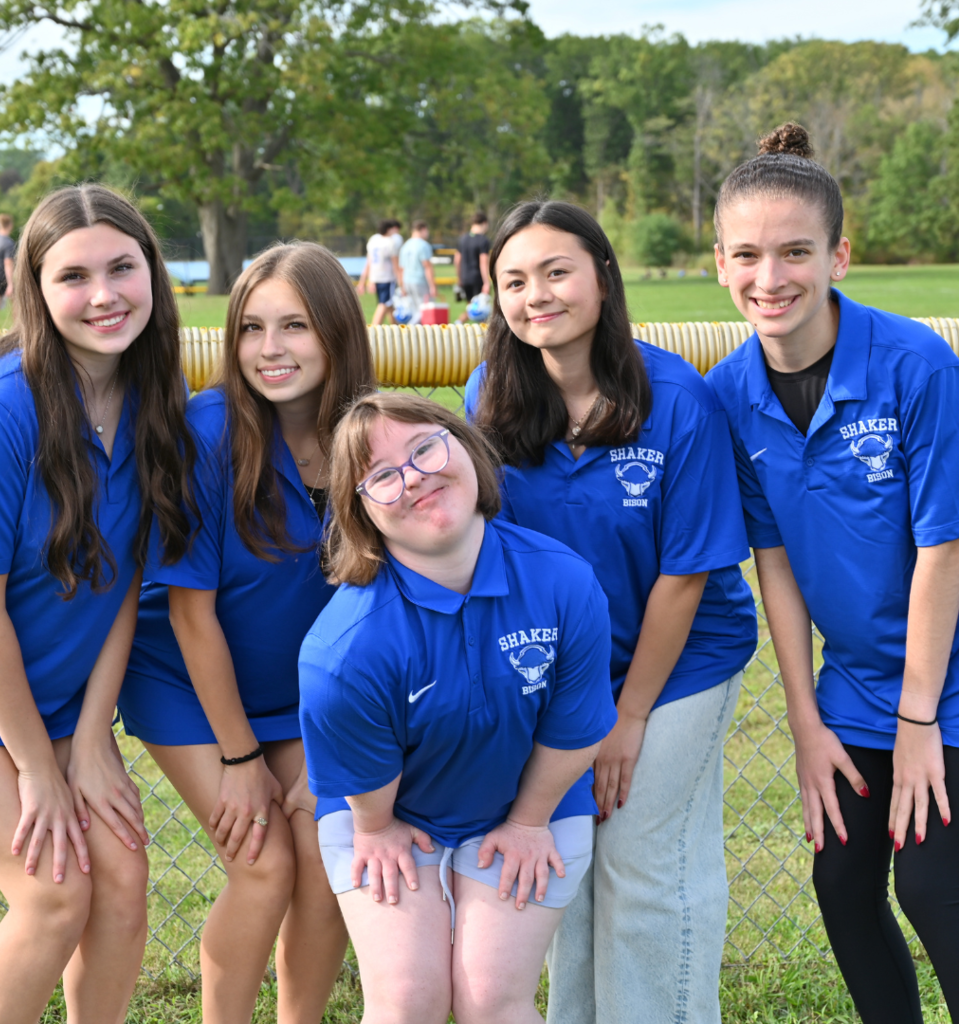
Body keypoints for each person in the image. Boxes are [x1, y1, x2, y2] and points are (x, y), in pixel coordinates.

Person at [466, 199, 758, 1024]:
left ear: (602, 276)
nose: (536, 295)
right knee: (569, 864)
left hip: (681, 661)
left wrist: (626, 719)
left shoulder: (678, 398)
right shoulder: (489, 395)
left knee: (639, 861)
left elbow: (685, 578)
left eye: (556, 272)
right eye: (514, 281)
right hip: (565, 671)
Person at [706, 123, 959, 1023]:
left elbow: (943, 548)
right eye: (747, 255)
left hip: (948, 674)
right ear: (720, 263)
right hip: (852, 685)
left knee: (932, 884)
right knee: (843, 881)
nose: (769, 277)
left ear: (838, 257)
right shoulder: (729, 394)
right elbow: (773, 564)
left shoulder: (916, 365)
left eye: (795, 252)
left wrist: (919, 722)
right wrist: (807, 723)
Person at [0, 184, 197, 1024]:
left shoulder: (156, 396)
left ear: (152, 273)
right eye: (73, 276)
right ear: (34, 290)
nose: (104, 295)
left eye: (122, 268)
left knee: (120, 882)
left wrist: (88, 739)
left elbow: (122, 585)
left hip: (56, 705)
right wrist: (38, 771)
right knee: (55, 893)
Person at [298, 392, 617, 1024]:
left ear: (467, 448)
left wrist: (528, 822)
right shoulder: (344, 649)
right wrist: (376, 830)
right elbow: (366, 792)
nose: (414, 477)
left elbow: (577, 728)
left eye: (424, 449)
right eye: (383, 476)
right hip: (386, 817)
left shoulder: (564, 581)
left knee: (490, 999)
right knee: (407, 1001)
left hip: (535, 805)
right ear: (361, 513)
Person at [119, 242, 375, 1024]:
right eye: (252, 328)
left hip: (302, 694)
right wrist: (239, 759)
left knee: (326, 857)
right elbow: (190, 614)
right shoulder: (206, 434)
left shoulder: (375, 437)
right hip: (188, 683)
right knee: (263, 868)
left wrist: (328, 738)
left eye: (294, 325)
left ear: (336, 331)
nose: (270, 349)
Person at [356, 219, 403, 327]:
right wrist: (401, 283)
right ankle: (373, 330)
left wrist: (364, 281)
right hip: (387, 278)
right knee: (383, 305)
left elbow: (368, 263)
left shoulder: (373, 241)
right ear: (389, 229)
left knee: (389, 305)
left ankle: (397, 330)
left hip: (375, 278)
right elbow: (396, 265)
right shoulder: (391, 242)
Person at [454, 211, 491, 324]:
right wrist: (486, 282)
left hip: (465, 278)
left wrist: (459, 278)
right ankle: (484, 333)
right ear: (484, 223)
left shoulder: (463, 239)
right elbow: (483, 262)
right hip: (477, 278)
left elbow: (457, 260)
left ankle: (458, 324)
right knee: (482, 310)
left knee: (471, 307)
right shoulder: (483, 240)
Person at [399, 220, 438, 312]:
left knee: (414, 310)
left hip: (407, 281)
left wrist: (402, 286)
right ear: (423, 229)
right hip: (420, 281)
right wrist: (433, 286)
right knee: (425, 311)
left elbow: (401, 269)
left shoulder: (405, 245)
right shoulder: (423, 245)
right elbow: (427, 266)